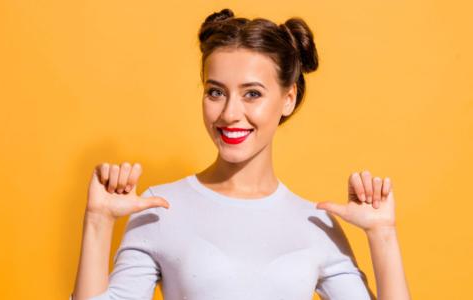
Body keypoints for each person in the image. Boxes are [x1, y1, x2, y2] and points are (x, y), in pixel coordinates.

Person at [71, 8, 410, 300]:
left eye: (252, 94)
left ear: (288, 98)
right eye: (216, 92)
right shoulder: (160, 208)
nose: (230, 113)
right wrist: (98, 222)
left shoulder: (316, 224)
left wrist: (382, 235)